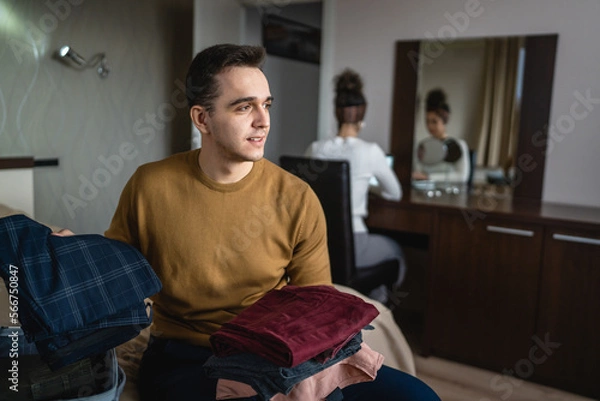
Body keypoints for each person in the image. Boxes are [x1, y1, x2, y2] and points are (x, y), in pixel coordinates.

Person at [70, 44, 440, 401]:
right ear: (202, 118)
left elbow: (316, 307)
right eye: (244, 107)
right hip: (186, 356)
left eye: (266, 105)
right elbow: (114, 276)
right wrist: (73, 255)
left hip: (274, 350)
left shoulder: (296, 197)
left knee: (417, 396)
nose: (263, 120)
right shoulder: (149, 185)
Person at [305, 68, 406, 303]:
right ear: (361, 117)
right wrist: (366, 186)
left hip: (317, 244)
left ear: (336, 113)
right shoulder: (370, 151)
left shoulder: (316, 148)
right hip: (354, 244)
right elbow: (394, 193)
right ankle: (379, 309)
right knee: (398, 251)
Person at [412, 89, 470, 183]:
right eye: (427, 121)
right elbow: (418, 171)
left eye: (434, 122)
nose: (430, 126)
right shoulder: (423, 146)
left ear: (444, 121)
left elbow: (462, 176)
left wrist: (429, 177)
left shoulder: (459, 145)